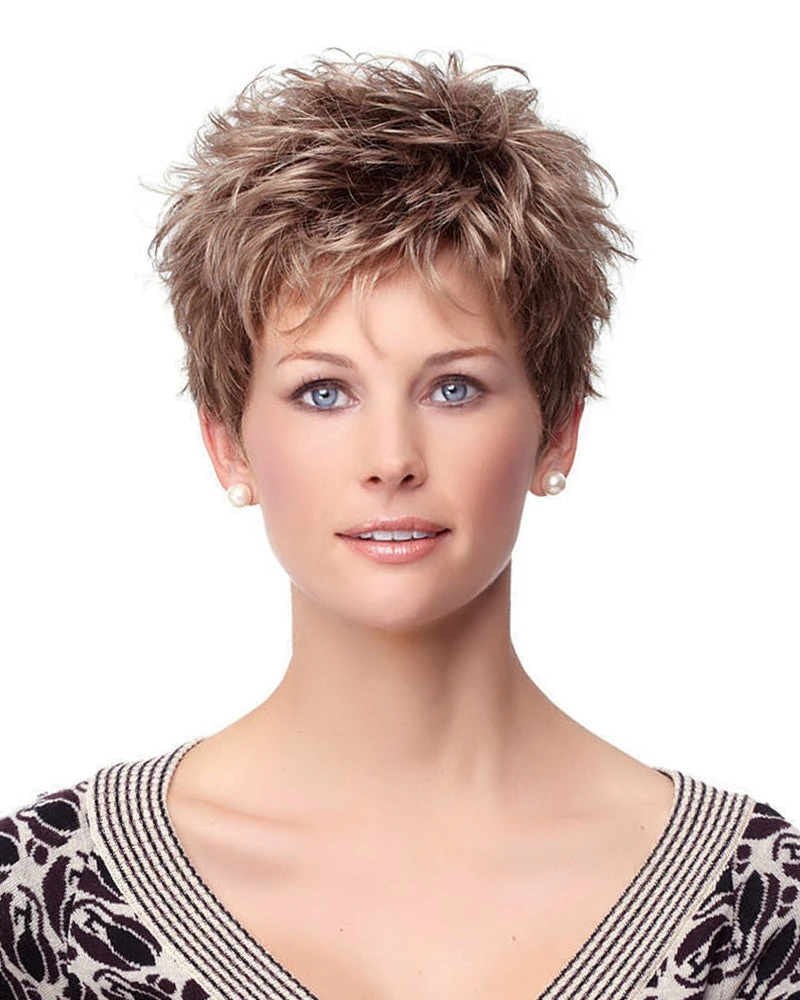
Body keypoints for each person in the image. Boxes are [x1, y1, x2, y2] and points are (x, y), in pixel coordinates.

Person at [1, 51, 797, 1000]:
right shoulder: (47, 900)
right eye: (323, 391)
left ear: (558, 431)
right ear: (228, 446)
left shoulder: (756, 904)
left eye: (453, 388)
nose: (391, 458)